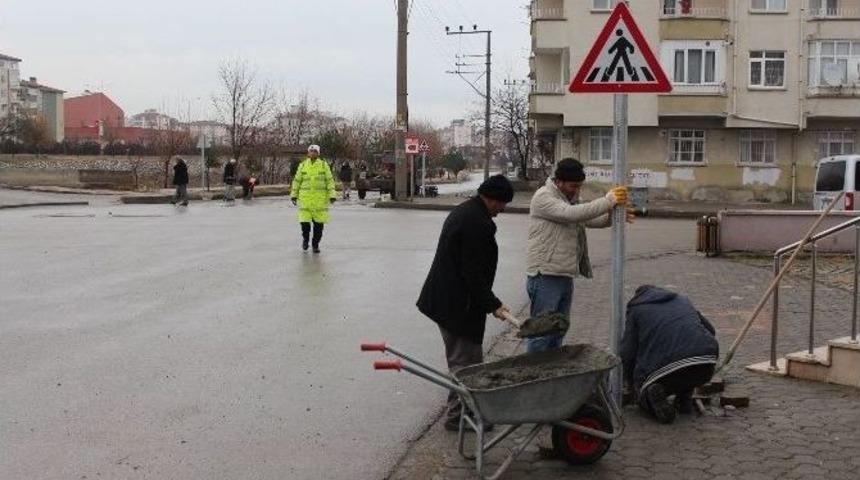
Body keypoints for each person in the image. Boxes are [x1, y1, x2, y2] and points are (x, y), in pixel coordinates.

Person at [416, 174, 515, 432]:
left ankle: (463, 411)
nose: (502, 210)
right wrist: (493, 304)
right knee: (466, 363)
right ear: (492, 199)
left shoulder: (467, 211)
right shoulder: (476, 222)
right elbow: (472, 272)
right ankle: (458, 416)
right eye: (502, 204)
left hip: (449, 300)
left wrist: (490, 303)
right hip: (457, 305)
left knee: (463, 361)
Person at [525, 158, 630, 353]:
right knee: (541, 334)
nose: (577, 190)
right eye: (573, 186)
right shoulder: (544, 197)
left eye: (579, 186)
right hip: (545, 275)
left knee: (558, 331)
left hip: (563, 274)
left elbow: (589, 218)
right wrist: (608, 201)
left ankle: (551, 373)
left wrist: (613, 217)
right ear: (559, 182)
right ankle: (533, 378)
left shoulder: (568, 199)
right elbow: (572, 214)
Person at [622, 285, 719, 424]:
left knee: (645, 389)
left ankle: (652, 398)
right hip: (706, 363)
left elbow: (628, 352)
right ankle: (683, 401)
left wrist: (631, 382)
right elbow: (711, 330)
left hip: (670, 367)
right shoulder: (683, 300)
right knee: (687, 367)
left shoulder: (636, 309)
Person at [290, 145, 336, 253]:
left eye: (315, 151)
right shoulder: (302, 166)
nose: (313, 153)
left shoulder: (324, 166)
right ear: (308, 153)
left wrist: (332, 195)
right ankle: (305, 239)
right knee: (304, 224)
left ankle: (315, 244)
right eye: (311, 151)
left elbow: (330, 181)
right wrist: (294, 195)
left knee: (318, 226)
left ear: (318, 154)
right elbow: (297, 181)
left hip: (319, 201)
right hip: (305, 200)